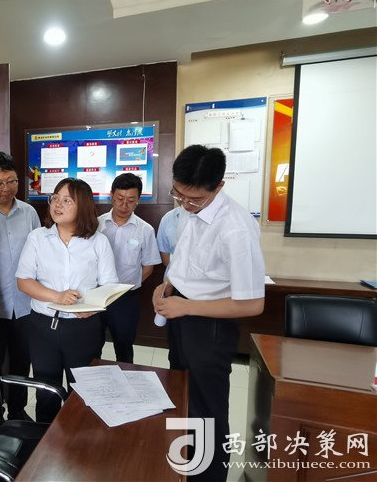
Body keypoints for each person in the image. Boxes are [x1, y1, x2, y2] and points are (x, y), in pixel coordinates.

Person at [152, 145, 265, 482]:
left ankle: (208, 477)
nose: (185, 204)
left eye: (195, 199)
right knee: (182, 395)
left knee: (207, 412)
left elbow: (252, 304)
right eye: (178, 194)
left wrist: (186, 306)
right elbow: (186, 261)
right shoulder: (190, 212)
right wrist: (167, 285)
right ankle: (183, 468)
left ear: (219, 186)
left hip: (210, 325)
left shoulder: (236, 228)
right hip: (181, 315)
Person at [16, 178, 118, 423]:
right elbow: (24, 281)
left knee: (82, 391)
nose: (57, 205)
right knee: (46, 391)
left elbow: (109, 287)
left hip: (83, 327)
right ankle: (45, 438)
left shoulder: (98, 241)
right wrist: (57, 297)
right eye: (55, 198)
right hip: (43, 326)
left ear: (83, 206)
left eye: (67, 200)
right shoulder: (37, 238)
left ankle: (78, 440)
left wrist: (93, 309)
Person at [0, 151, 41, 421]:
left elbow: (40, 254)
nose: (6, 189)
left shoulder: (29, 213)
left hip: (25, 304)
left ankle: (17, 411)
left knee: (21, 361)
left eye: (11, 181)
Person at [97, 173, 161, 363]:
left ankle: (124, 379)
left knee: (124, 348)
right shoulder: (96, 224)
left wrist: (127, 286)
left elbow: (148, 267)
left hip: (126, 298)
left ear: (138, 200)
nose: (124, 205)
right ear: (111, 196)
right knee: (91, 344)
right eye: (120, 199)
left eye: (131, 200)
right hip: (96, 295)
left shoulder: (145, 230)